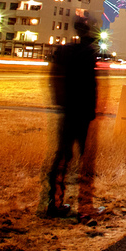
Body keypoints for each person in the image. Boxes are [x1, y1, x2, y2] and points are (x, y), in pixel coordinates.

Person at [44, 17, 101, 221]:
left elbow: (55, 79)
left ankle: (55, 202)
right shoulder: (87, 54)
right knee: (85, 162)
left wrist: (62, 103)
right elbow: (90, 86)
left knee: (62, 157)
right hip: (82, 113)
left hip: (69, 112)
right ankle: (85, 207)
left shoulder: (65, 52)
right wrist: (93, 110)